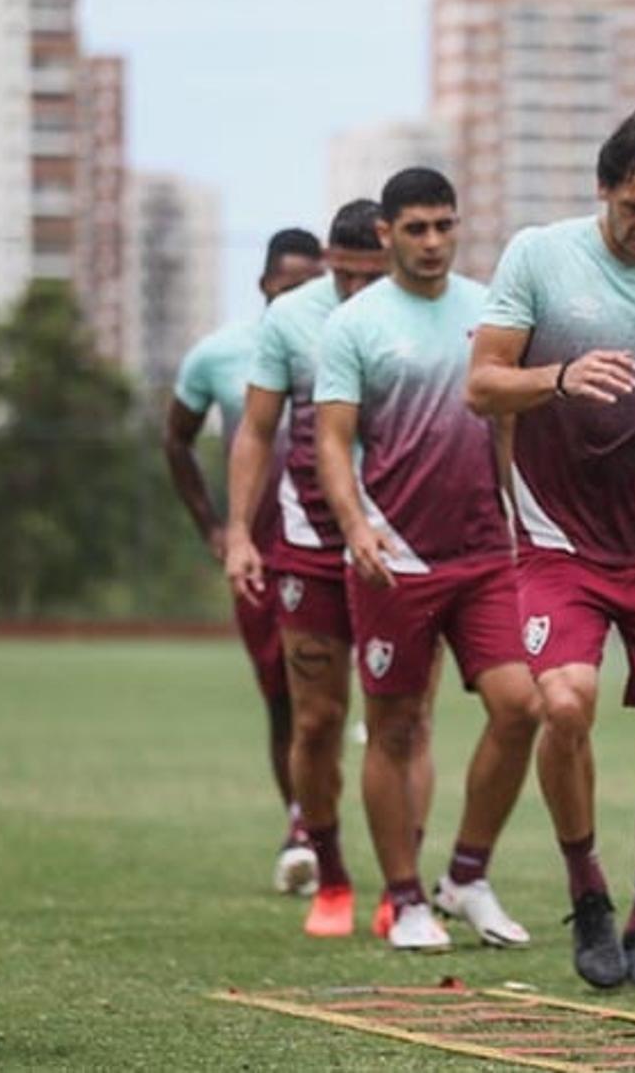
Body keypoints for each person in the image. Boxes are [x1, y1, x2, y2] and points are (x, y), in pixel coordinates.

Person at [465, 108, 635, 987]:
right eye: (634, 210)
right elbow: (481, 384)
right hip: (560, 542)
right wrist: (558, 376)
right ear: (603, 189)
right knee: (564, 705)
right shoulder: (540, 254)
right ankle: (590, 894)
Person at [314, 166, 542, 952]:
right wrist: (355, 526)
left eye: (445, 224)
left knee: (523, 706)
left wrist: (527, 517)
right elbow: (333, 441)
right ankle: (405, 896)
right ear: (386, 234)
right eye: (416, 227)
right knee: (397, 725)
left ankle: (466, 875)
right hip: (395, 557)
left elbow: (509, 424)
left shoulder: (489, 310)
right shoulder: (354, 325)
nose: (434, 241)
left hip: (485, 552)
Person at [225, 202, 438, 939]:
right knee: (316, 718)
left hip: (405, 546)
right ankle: (333, 875)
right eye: (341, 275)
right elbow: (256, 431)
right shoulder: (291, 320)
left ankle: (402, 888)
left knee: (405, 722)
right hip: (309, 546)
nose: (354, 290)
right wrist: (237, 533)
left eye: (366, 276)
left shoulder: (426, 310)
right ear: (326, 260)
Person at [164, 227, 322, 894]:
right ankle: (301, 824)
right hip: (260, 550)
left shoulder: (340, 343)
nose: (300, 299)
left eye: (313, 286)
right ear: (265, 287)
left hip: (334, 541)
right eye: (289, 286)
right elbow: (176, 439)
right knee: (282, 695)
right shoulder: (219, 355)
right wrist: (218, 529)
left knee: (352, 695)